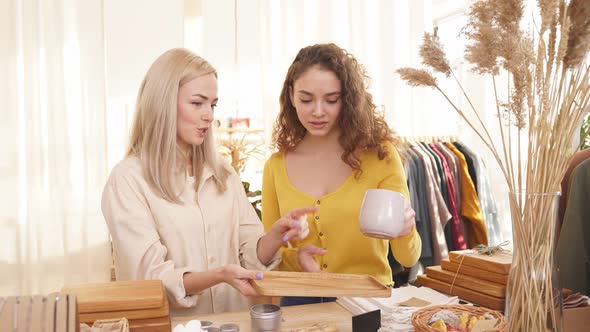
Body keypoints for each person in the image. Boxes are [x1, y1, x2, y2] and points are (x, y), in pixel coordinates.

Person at [101, 48, 315, 316]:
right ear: (163, 103)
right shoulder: (127, 181)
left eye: (212, 104)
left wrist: (275, 236)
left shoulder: (222, 173)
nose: (209, 115)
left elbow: (249, 253)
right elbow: (150, 278)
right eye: (197, 103)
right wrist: (218, 275)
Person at [262, 43, 422, 306]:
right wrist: (298, 257)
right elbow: (271, 255)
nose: (318, 111)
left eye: (331, 100)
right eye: (306, 99)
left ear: (347, 100)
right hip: (299, 303)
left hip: (368, 303)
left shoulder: (381, 157)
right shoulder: (275, 166)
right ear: (291, 96)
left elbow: (408, 258)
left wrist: (405, 229)